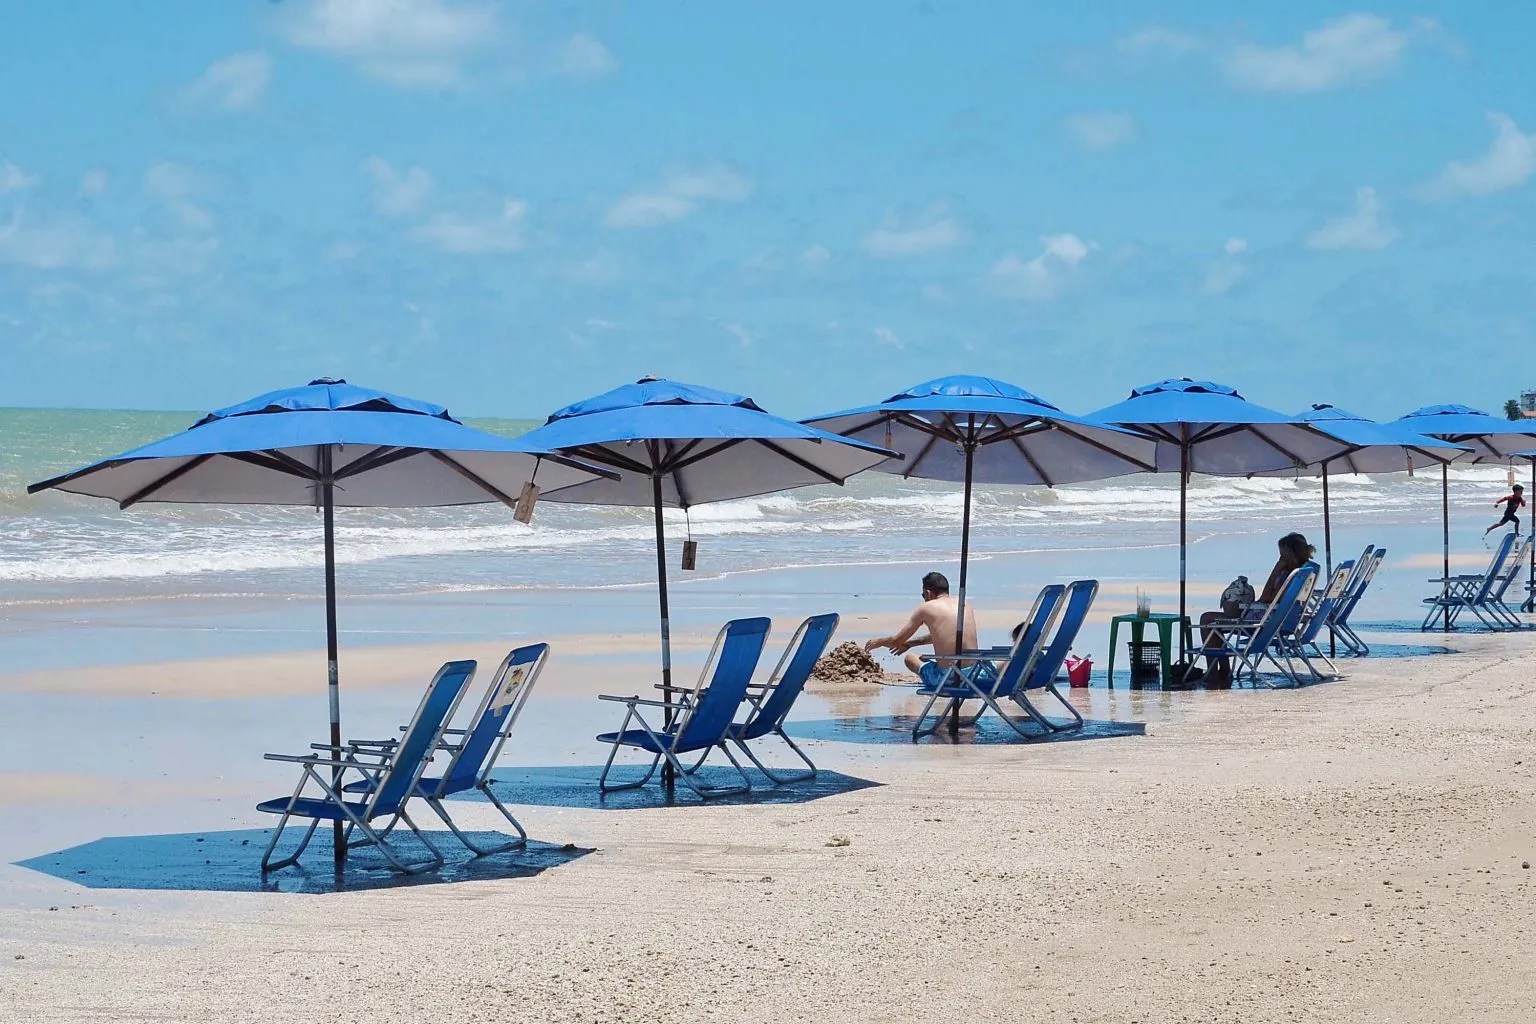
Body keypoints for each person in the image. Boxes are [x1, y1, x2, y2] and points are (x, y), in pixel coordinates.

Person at [1197, 532, 1316, 686]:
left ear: (1292, 555)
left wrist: (1276, 570)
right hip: (1282, 621)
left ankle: (1215, 673)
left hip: (1264, 624)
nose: (1281, 559)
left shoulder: (1291, 576)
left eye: (1282, 556)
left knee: (1207, 619)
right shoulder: (1305, 572)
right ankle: (1223, 672)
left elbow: (1267, 597)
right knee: (1215, 622)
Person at [864, 571, 980, 686]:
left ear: (928, 592)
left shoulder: (926, 608)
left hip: (947, 678)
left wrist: (879, 642)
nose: (924, 598)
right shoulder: (964, 604)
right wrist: (909, 644)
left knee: (910, 658)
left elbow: (895, 641)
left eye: (923, 595)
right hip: (977, 675)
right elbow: (946, 636)